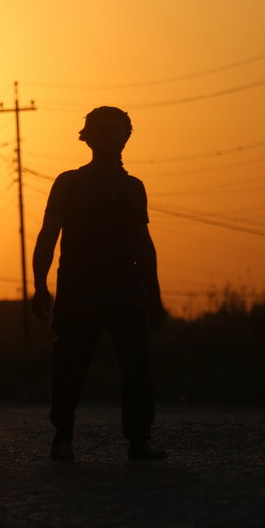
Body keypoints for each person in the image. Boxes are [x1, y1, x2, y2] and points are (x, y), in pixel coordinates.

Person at [31, 106, 168, 462]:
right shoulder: (69, 183)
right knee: (68, 367)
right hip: (78, 290)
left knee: (137, 368)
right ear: (87, 137)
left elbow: (143, 243)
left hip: (126, 289)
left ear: (126, 136)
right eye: (102, 130)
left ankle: (139, 440)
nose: (110, 137)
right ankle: (62, 438)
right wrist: (39, 284)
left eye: (117, 130)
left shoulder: (132, 187)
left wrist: (154, 295)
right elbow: (48, 235)